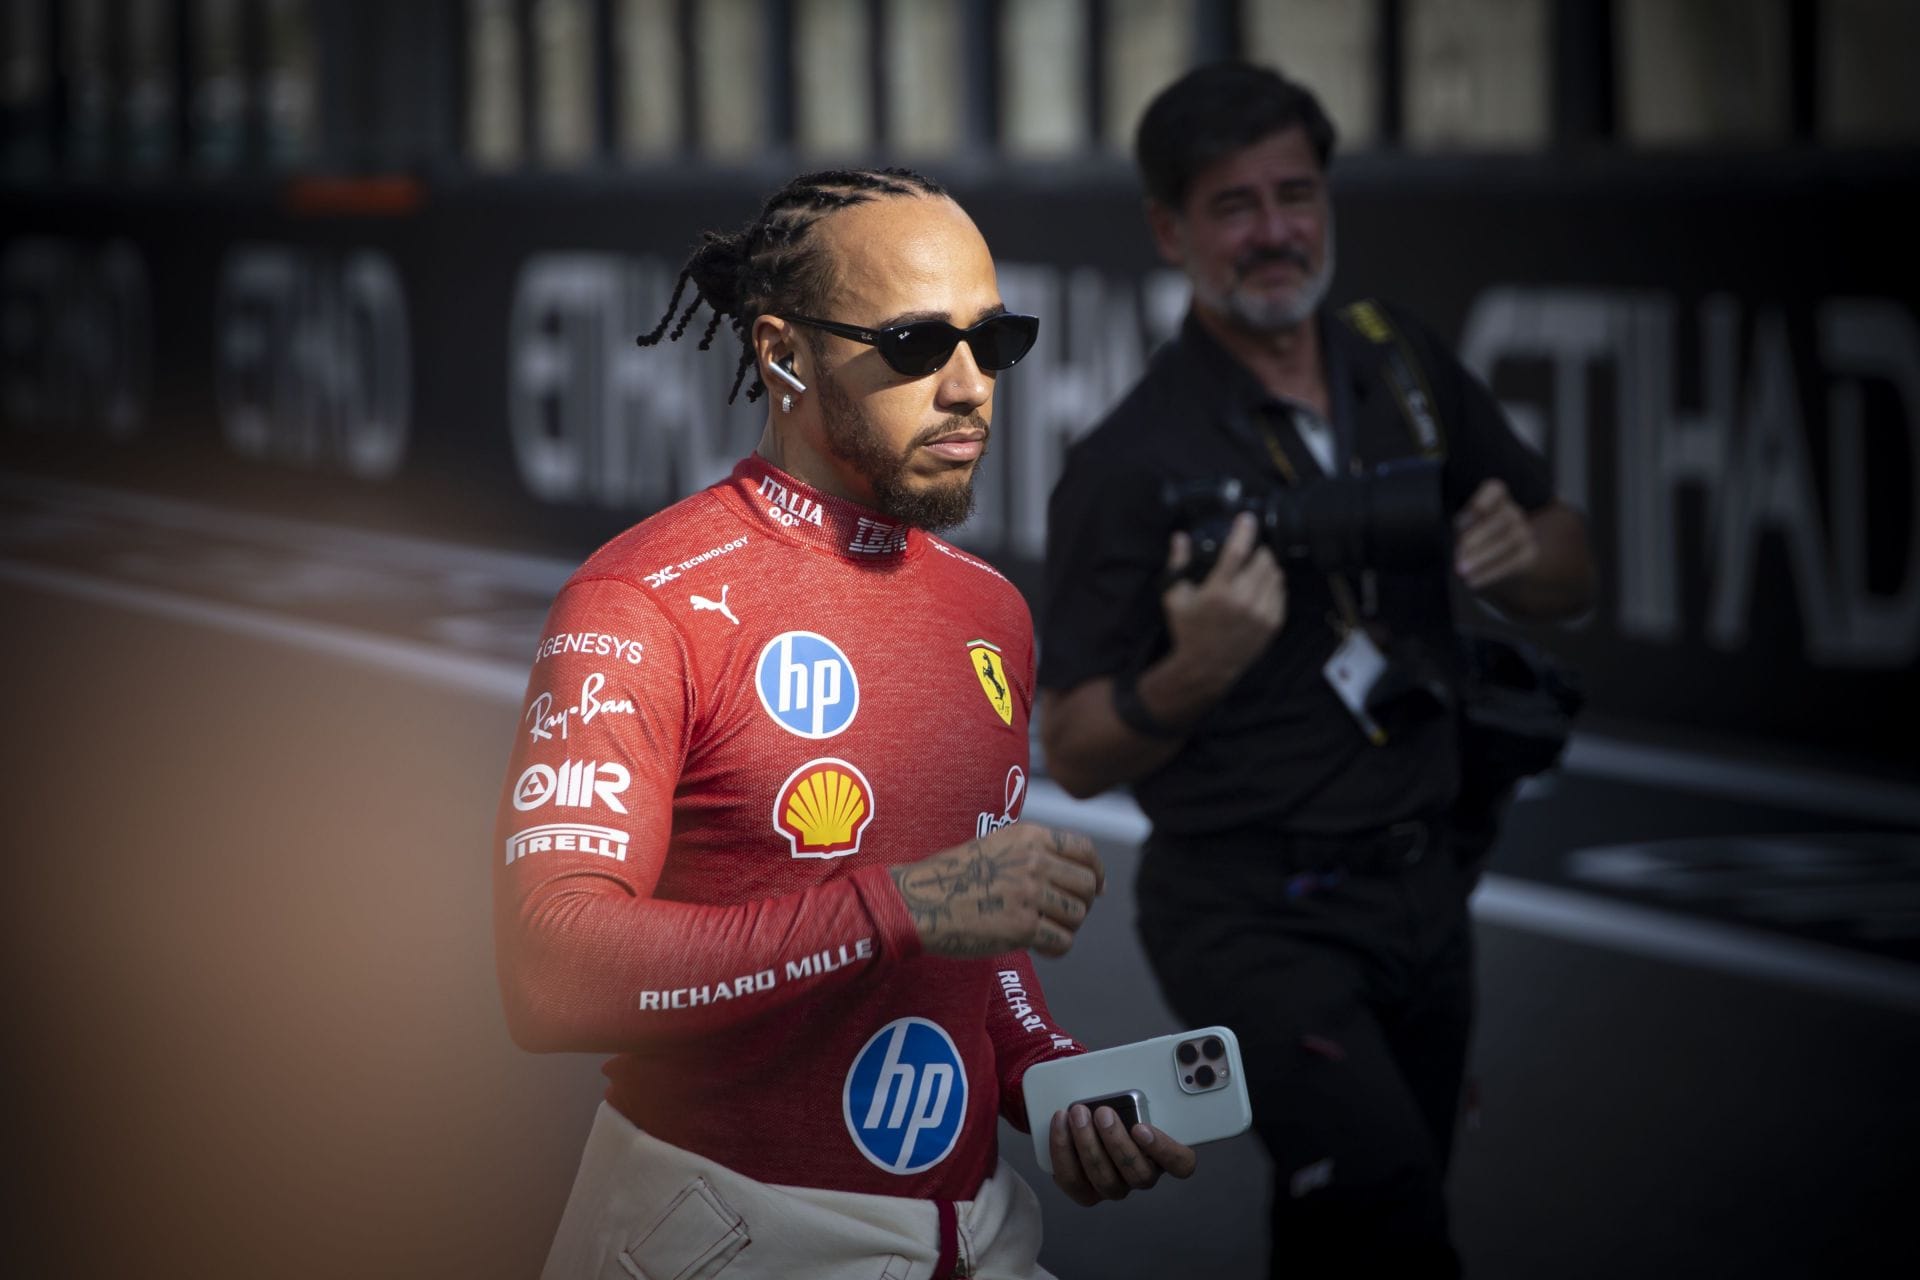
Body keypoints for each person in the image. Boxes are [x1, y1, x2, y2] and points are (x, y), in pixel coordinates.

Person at [493, 167, 1197, 1280]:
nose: (970, 386)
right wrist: (904, 905)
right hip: (720, 1231)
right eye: (918, 345)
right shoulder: (638, 600)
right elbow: (553, 975)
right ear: (784, 354)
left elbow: (970, 936)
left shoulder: (992, 612)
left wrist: (1049, 1076)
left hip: (979, 1232)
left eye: (995, 341)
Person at [1038, 66, 1596, 1277]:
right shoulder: (1130, 460)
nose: (1275, 230)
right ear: (1169, 231)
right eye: (1234, 204)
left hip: (1428, 881)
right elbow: (1070, 748)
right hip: (1251, 913)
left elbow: (1571, 558)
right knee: (1387, 1213)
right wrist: (1191, 673)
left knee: (1355, 1219)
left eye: (1295, 193)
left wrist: (1520, 557)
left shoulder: (1402, 365)